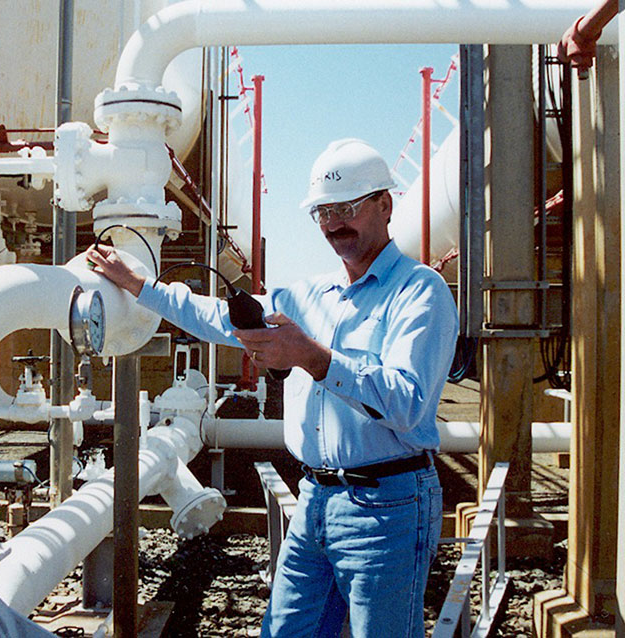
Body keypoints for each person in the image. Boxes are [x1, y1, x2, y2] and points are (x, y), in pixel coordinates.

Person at [85, 138, 458, 637]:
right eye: (323, 213)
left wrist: (312, 357)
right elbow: (220, 316)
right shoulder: (309, 295)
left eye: (347, 209)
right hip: (315, 497)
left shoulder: (420, 292)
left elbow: (407, 403)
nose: (334, 224)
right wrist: (141, 286)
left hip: (387, 505)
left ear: (385, 205)